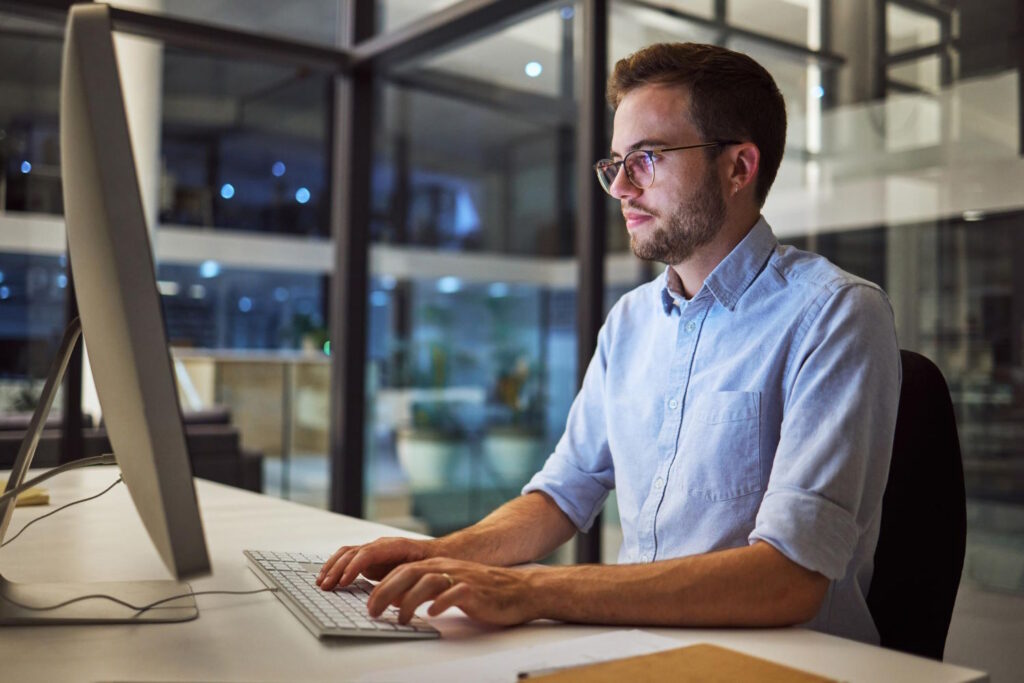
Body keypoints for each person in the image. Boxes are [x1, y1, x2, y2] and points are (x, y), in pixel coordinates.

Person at [318, 42, 900, 644]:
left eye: (646, 159)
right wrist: (437, 555)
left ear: (738, 167)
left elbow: (789, 577)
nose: (620, 187)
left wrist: (531, 590)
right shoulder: (631, 321)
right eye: (615, 163)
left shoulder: (835, 314)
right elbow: (560, 497)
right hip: (636, 645)